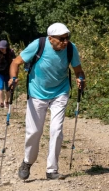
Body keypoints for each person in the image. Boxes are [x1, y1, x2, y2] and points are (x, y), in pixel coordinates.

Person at [8, 23, 85, 181]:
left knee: (56, 130)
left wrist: (81, 79)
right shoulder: (39, 44)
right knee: (34, 131)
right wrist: (13, 78)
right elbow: (16, 62)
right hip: (37, 93)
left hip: (60, 92)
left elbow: (78, 70)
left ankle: (52, 170)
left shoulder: (71, 48)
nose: (65, 42)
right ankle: (27, 162)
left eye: (67, 38)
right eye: (62, 39)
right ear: (50, 39)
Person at [0, 40, 16, 108]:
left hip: (9, 72)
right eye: (0, 47)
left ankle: (7, 101)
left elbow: (15, 61)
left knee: (8, 88)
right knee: (0, 87)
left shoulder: (11, 52)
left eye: (3, 48)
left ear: (6, 47)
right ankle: (1, 103)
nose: (1, 49)